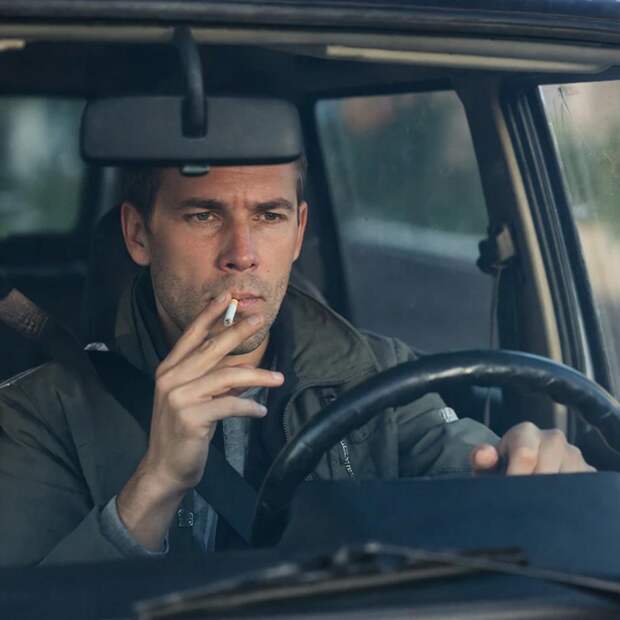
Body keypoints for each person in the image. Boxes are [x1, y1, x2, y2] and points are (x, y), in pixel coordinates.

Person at [0, 159, 594, 566]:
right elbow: (27, 604)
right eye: (203, 215)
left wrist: (535, 480)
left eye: (269, 215)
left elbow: (463, 466)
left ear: (299, 229)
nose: (242, 254)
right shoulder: (38, 411)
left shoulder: (377, 373)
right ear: (138, 234)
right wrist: (154, 486)